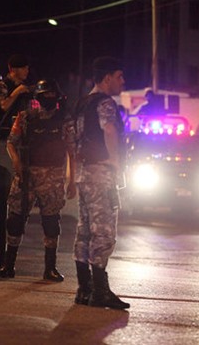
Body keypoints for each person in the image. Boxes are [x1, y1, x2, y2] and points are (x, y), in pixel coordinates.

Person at [0, 80, 77, 281]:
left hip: (53, 176)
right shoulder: (25, 118)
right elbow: (11, 143)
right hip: (27, 175)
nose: (49, 99)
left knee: (51, 222)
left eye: (52, 96)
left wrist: (72, 180)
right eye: (45, 95)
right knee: (15, 219)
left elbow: (72, 151)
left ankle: (50, 268)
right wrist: (17, 164)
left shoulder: (64, 121)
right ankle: (8, 265)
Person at [72, 56, 130, 309]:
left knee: (84, 230)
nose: (123, 81)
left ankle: (84, 289)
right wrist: (116, 161)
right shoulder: (105, 103)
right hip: (101, 172)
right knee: (104, 232)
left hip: (84, 172)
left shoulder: (81, 103)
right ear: (107, 78)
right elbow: (109, 129)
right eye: (119, 76)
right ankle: (100, 292)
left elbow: (70, 139)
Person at [0, 54, 32, 127]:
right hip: (6, 130)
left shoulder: (23, 86)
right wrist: (17, 91)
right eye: (23, 68)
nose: (27, 71)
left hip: (22, 129)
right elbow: (4, 106)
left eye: (27, 68)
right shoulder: (2, 85)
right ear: (13, 69)